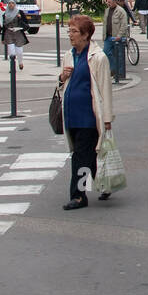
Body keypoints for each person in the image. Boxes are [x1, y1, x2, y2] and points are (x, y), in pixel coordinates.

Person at [58, 14, 114, 209]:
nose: (70, 35)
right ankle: (105, 184)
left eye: (74, 31)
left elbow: (105, 89)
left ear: (86, 35)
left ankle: (79, 195)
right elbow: (61, 86)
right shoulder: (69, 55)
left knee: (80, 157)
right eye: (69, 31)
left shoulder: (98, 58)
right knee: (87, 155)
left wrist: (107, 119)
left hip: (89, 117)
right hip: (71, 116)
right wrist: (62, 77)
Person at [102, 0, 130, 82]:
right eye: (107, 2)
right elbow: (105, 23)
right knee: (106, 53)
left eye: (109, 2)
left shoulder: (120, 11)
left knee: (119, 55)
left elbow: (124, 25)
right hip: (108, 36)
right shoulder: (107, 10)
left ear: (114, 2)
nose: (108, 3)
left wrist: (119, 36)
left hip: (117, 37)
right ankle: (114, 69)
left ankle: (120, 74)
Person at [0, 0, 30, 71]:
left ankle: (20, 62)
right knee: (12, 52)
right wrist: (3, 38)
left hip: (18, 33)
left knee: (19, 51)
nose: (11, 5)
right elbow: (4, 27)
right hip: (9, 33)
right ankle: (12, 67)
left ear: (15, 4)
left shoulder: (19, 12)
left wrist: (20, 18)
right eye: (9, 3)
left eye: (12, 3)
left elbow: (26, 23)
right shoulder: (5, 14)